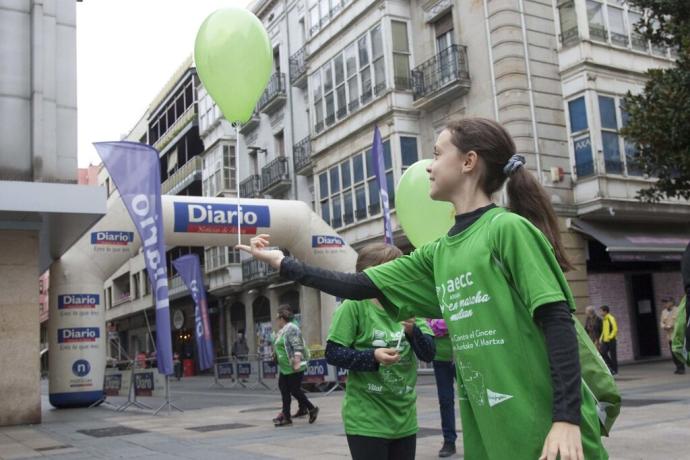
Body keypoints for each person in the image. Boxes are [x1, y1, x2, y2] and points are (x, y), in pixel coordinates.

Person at [238, 118, 607, 459]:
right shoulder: (439, 253)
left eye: (436, 154)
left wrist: (566, 417)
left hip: (544, 424)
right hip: (489, 424)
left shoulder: (507, 230)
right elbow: (359, 285)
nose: (429, 166)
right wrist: (284, 262)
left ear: (469, 162)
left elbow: (557, 320)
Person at [325, 243, 435, 460]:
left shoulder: (409, 304)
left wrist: (413, 332)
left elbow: (429, 354)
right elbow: (333, 353)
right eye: (393, 270)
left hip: (404, 418)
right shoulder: (354, 306)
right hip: (366, 419)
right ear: (373, 274)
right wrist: (372, 357)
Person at [272, 306, 319, 427]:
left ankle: (311, 408)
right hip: (286, 368)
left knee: (294, 390)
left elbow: (297, 345)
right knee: (284, 390)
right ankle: (286, 417)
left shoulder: (292, 328)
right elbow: (281, 346)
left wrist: (297, 360)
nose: (276, 321)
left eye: (277, 318)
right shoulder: (283, 330)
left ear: (282, 318)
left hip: (293, 366)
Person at [427, 318, 457, 457]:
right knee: (445, 400)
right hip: (440, 356)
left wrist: (438, 325)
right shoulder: (431, 298)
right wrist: (447, 325)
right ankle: (449, 441)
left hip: (463, 355)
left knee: (473, 399)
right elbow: (425, 325)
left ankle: (479, 436)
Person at [660, 297, 685, 374]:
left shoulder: (678, 310)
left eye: (667, 302)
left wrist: (672, 325)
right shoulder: (664, 312)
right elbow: (661, 322)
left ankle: (681, 368)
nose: (665, 304)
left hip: (677, 335)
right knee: (673, 353)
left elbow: (681, 321)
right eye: (664, 303)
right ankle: (678, 367)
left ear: (672, 302)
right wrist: (664, 326)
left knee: (678, 351)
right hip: (670, 336)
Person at [599, 306, 618, 375]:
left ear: (605, 311)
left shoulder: (611, 318)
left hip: (611, 340)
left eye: (601, 311)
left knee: (613, 356)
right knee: (603, 353)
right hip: (605, 340)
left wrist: (610, 337)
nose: (600, 312)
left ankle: (615, 370)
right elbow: (604, 330)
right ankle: (611, 366)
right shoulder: (604, 319)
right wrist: (601, 338)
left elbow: (615, 329)